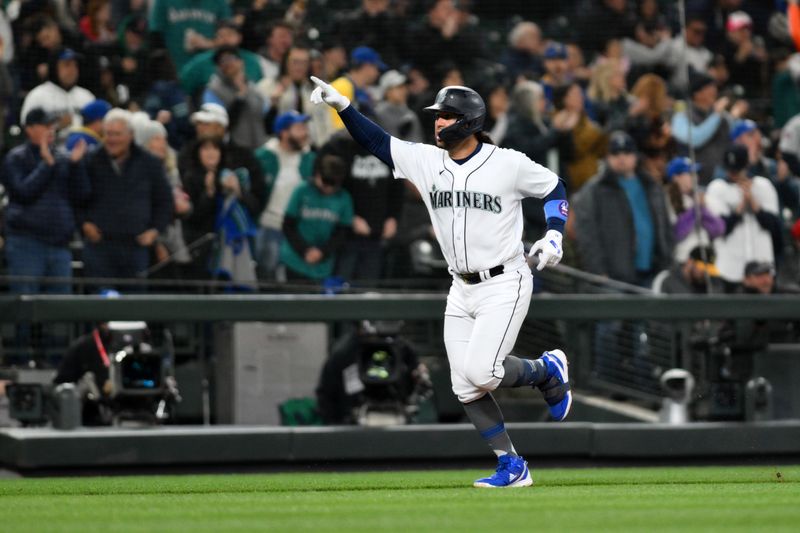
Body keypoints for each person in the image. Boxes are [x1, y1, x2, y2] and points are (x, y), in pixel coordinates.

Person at [310, 77, 572, 488]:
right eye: (435, 115)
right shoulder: (428, 161)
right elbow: (379, 143)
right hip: (460, 286)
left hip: (504, 280)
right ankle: (511, 464)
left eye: (446, 116)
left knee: (483, 372)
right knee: (463, 385)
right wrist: (344, 107)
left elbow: (554, 186)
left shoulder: (507, 162)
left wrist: (555, 233)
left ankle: (546, 371)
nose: (437, 123)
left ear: (468, 122)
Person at [80, 109, 174, 288]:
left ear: (130, 135)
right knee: (101, 307)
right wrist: (83, 223)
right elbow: (76, 196)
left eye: (117, 134)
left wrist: (155, 230)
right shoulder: (91, 160)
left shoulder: (149, 163)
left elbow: (164, 201)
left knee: (134, 310)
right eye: (108, 134)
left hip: (135, 247)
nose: (112, 139)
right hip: (100, 247)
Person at [1, 108, 89, 294]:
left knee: (60, 311)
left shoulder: (63, 157)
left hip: (59, 244)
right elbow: (22, 193)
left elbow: (81, 195)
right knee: (25, 307)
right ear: (29, 129)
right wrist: (46, 166)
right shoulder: (16, 158)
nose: (51, 129)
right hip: (26, 243)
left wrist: (76, 165)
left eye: (53, 125)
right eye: (45, 125)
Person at [572, 131, 674, 286]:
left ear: (635, 156)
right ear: (608, 157)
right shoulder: (595, 190)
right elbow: (587, 234)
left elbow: (665, 226)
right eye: (615, 153)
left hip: (654, 271)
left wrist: (668, 261)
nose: (621, 157)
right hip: (615, 277)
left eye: (627, 152)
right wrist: (598, 270)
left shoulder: (651, 186)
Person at [704, 144, 781, 289]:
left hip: (762, 269)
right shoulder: (717, 189)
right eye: (730, 169)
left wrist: (754, 203)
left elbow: (775, 228)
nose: (733, 173)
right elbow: (719, 229)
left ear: (746, 164)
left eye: (737, 169)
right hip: (729, 269)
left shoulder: (763, 186)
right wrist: (739, 208)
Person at [254, 111, 316, 280]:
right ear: (284, 133)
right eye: (299, 128)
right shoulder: (263, 157)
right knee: (267, 274)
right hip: (269, 225)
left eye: (305, 128)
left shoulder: (310, 159)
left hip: (298, 230)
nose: (305, 133)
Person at [279, 154, 354, 282]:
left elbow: (342, 232)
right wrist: (304, 250)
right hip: (294, 260)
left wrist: (322, 252)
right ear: (318, 175)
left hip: (322, 267)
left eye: (333, 184)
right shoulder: (302, 190)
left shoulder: (344, 198)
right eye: (326, 182)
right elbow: (288, 225)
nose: (329, 188)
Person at [20, 48, 95, 145]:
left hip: (84, 153)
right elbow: (27, 131)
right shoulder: (37, 95)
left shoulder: (86, 96)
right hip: (48, 154)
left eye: (75, 65)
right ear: (54, 68)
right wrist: (57, 128)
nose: (72, 70)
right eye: (66, 65)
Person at [664, 156, 726, 262]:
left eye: (695, 173)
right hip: (683, 260)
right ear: (676, 177)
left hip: (704, 257)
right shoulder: (667, 199)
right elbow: (676, 234)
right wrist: (695, 210)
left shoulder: (698, 197)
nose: (695, 177)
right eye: (690, 174)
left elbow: (719, 229)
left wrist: (702, 209)